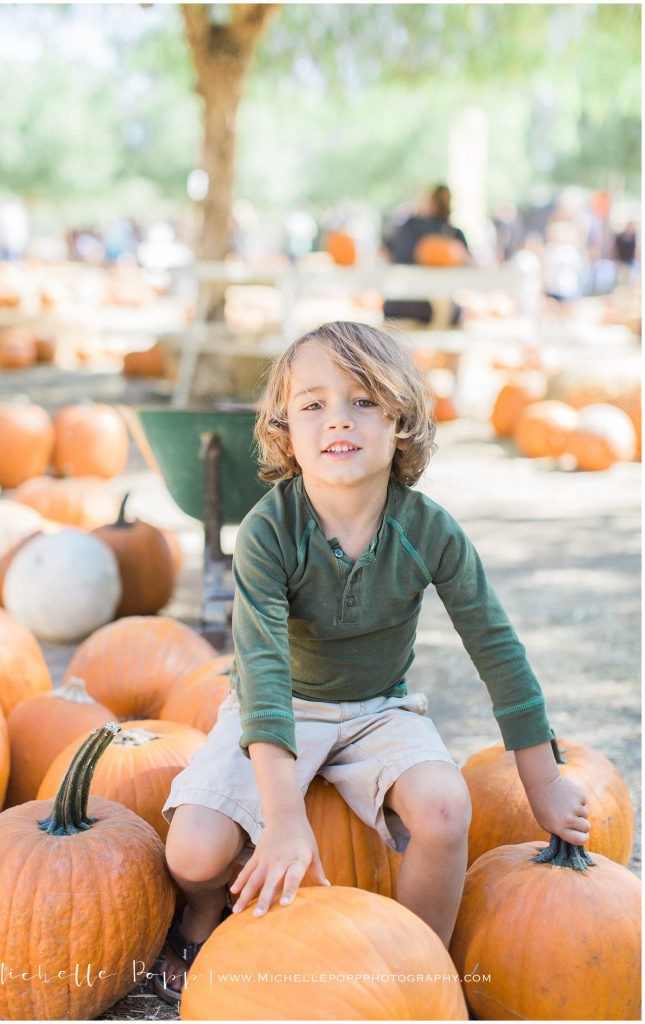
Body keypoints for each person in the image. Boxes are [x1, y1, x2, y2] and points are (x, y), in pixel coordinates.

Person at [153, 321, 590, 1002]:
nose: (338, 420)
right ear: (284, 432)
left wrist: (543, 783)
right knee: (193, 853)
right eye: (313, 403)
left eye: (363, 401)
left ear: (401, 424)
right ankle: (202, 913)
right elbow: (263, 676)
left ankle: (412, 975)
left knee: (445, 813)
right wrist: (284, 819)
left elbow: (495, 648)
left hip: (377, 709)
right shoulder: (269, 532)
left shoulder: (428, 531)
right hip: (279, 708)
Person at [383, 185, 471, 328]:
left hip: (397, 305)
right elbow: (467, 267)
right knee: (455, 314)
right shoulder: (453, 235)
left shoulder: (407, 228)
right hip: (436, 310)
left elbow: (387, 253)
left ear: (430, 202)